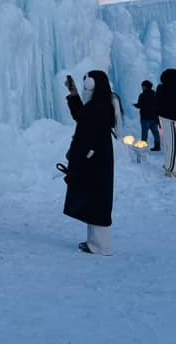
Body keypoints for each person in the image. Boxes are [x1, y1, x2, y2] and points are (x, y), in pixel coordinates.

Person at [63, 71, 120, 255]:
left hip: (94, 159)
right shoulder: (100, 104)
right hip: (95, 159)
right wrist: (73, 95)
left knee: (97, 200)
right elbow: (82, 117)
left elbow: (87, 133)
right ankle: (94, 242)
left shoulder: (100, 107)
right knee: (94, 199)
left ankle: (101, 246)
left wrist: (79, 155)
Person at [155, 68, 176, 177]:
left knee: (170, 144)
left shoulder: (162, 89)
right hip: (172, 120)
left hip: (166, 119)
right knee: (174, 145)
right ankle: (172, 170)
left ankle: (168, 164)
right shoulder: (172, 90)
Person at [134, 80, 160, 151]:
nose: (142, 87)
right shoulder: (155, 94)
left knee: (144, 133)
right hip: (154, 117)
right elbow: (157, 105)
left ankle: (143, 146)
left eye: (143, 86)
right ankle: (157, 146)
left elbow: (140, 105)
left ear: (145, 87)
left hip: (145, 117)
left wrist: (136, 105)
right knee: (155, 132)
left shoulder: (142, 95)